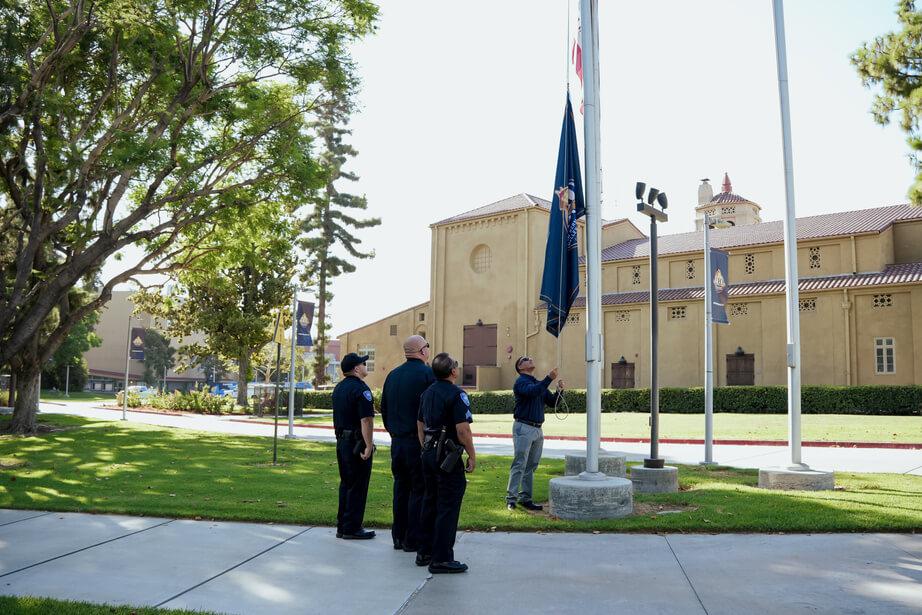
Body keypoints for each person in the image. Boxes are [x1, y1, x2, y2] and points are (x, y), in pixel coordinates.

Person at [416, 352, 475, 574]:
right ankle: (441, 558)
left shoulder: (427, 393)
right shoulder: (456, 394)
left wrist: (425, 447)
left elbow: (420, 423)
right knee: (448, 506)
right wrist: (472, 455)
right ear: (453, 371)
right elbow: (463, 430)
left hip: (429, 452)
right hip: (447, 456)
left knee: (430, 501)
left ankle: (425, 551)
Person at [380, 335, 435, 552]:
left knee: (400, 488)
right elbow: (430, 411)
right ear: (422, 351)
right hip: (417, 441)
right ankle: (413, 539)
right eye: (427, 347)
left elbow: (384, 408)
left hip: (397, 441)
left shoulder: (392, 375)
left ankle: (398, 535)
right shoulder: (427, 374)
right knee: (418, 489)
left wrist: (394, 431)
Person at [505, 356, 564, 511]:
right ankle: (511, 499)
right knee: (519, 463)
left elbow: (552, 403)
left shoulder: (538, 384)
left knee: (531, 465)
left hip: (538, 429)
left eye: (531, 358)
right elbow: (532, 392)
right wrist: (548, 379)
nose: (530, 359)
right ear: (520, 367)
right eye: (525, 359)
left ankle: (525, 498)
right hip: (523, 427)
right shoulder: (521, 382)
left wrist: (559, 391)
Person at [332, 352, 376, 540]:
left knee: (346, 483)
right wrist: (368, 444)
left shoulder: (339, 388)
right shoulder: (361, 389)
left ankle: (343, 525)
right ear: (357, 368)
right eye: (363, 363)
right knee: (358, 485)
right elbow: (366, 419)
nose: (365, 365)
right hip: (356, 443)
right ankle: (352, 528)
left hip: (342, 441)